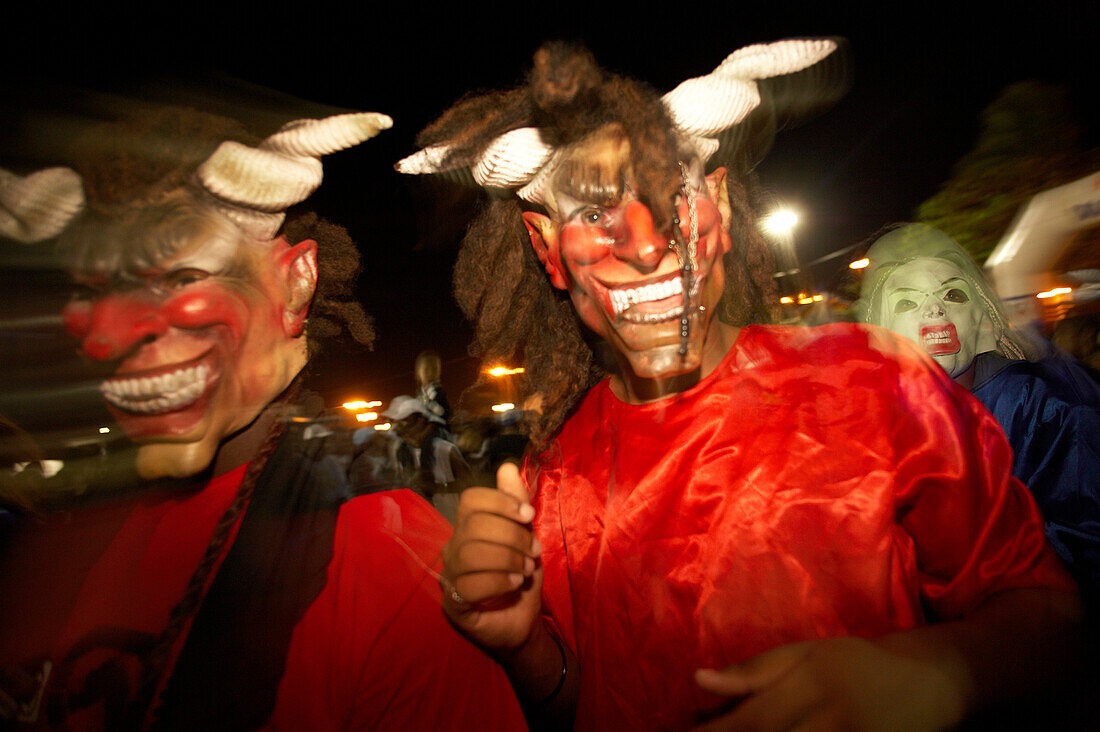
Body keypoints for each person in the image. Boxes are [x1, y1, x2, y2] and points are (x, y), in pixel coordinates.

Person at [399, 41, 1083, 729]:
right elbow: (588, 703)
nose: (644, 244)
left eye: (673, 194)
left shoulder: (877, 385)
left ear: (719, 206)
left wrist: (938, 673)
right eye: (596, 212)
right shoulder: (560, 476)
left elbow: (1052, 617)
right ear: (548, 248)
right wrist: (526, 648)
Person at [0, 105, 524, 729]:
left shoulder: (389, 563)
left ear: (294, 285)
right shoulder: (61, 537)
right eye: (93, 289)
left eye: (182, 276)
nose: (115, 331)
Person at [860, 223, 1100, 599]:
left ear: (985, 323)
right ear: (878, 333)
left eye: (953, 294)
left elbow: (1082, 550)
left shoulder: (1045, 407)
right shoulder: (869, 425)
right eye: (907, 301)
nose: (935, 307)